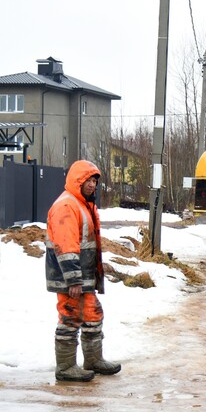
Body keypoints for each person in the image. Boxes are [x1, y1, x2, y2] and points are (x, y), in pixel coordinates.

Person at [46, 160, 121, 382]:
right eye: (88, 180)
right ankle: (66, 367)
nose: (92, 185)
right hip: (70, 280)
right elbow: (66, 246)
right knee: (70, 317)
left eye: (95, 181)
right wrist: (74, 280)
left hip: (83, 278)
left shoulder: (83, 205)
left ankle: (93, 360)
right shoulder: (67, 206)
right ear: (77, 181)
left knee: (93, 315)